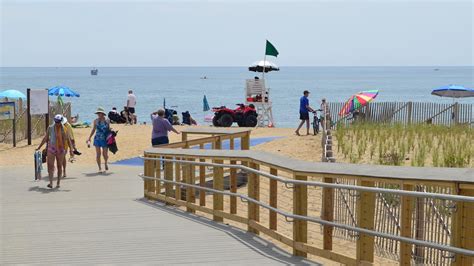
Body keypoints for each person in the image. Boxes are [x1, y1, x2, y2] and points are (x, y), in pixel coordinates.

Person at [36, 114, 74, 188]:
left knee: (59, 166)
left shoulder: (64, 129)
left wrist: (71, 150)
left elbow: (68, 140)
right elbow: (46, 138)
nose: (57, 123)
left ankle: (58, 182)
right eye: (56, 122)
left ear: (61, 121)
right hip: (52, 148)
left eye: (58, 122)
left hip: (61, 149)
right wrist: (39, 147)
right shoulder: (50, 128)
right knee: (50, 166)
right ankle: (51, 183)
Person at [87, 107, 111, 173]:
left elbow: (109, 129)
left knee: (105, 154)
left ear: (103, 114)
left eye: (99, 113)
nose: (98, 114)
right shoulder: (96, 121)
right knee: (98, 154)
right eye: (98, 113)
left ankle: (106, 162)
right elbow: (94, 129)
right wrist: (89, 137)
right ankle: (99, 168)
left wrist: (111, 136)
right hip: (97, 138)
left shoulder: (107, 120)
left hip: (105, 139)